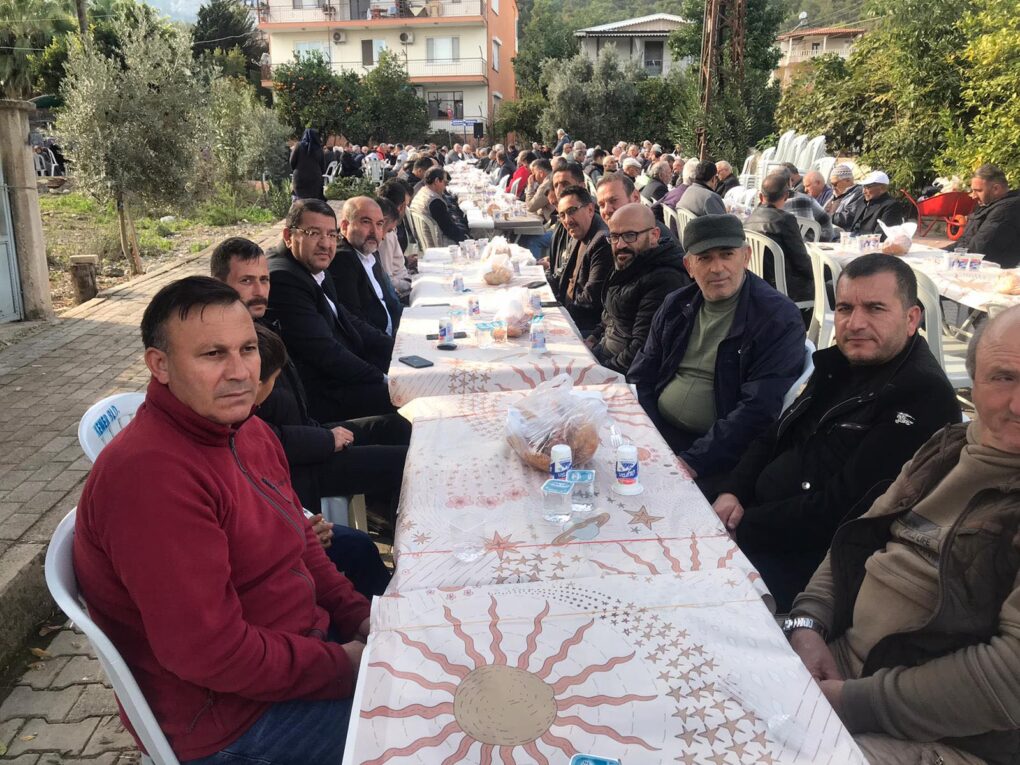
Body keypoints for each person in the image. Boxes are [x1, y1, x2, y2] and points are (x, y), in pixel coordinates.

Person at [74, 276, 371, 764]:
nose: (240, 372)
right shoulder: (150, 478)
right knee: (439, 725)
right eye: (213, 354)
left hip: (298, 654)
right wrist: (343, 665)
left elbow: (300, 542)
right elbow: (210, 653)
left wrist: (359, 615)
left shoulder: (246, 429)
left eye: (247, 349)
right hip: (232, 721)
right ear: (160, 366)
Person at [783, 304, 1020, 765]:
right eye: (1003, 377)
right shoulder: (945, 448)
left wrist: (851, 702)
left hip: (946, 736)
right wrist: (808, 622)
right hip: (840, 666)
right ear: (972, 383)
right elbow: (857, 542)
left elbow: (1009, 679)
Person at [713, 254, 961, 611]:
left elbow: (842, 512)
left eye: (875, 308)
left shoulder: (920, 395)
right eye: (845, 308)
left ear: (911, 319)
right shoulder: (842, 364)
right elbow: (776, 434)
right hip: (761, 516)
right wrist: (732, 490)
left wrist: (742, 526)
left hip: (812, 563)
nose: (855, 323)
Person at [628, 214, 805, 489]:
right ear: (689, 266)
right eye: (705, 258)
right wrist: (648, 434)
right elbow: (643, 373)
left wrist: (693, 460)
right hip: (660, 434)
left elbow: (758, 409)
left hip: (719, 454)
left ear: (746, 257)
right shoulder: (676, 305)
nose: (717, 268)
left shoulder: (776, 318)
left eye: (727, 254)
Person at [267, 199, 395, 422]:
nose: (326, 244)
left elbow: (346, 318)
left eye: (331, 235)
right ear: (288, 236)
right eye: (314, 233)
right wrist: (382, 378)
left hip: (341, 374)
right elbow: (326, 352)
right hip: (321, 396)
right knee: (409, 397)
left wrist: (395, 347)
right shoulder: (283, 279)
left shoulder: (312, 265)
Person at [587, 203, 689, 374]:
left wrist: (599, 371)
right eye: (614, 237)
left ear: (654, 235)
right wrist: (592, 338)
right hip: (604, 352)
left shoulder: (664, 279)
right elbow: (610, 316)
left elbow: (641, 352)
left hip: (623, 373)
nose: (620, 244)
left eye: (630, 235)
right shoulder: (630, 263)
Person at [327, 197, 402, 337]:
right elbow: (355, 322)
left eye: (379, 224)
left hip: (396, 333)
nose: (374, 231)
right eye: (366, 222)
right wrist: (393, 344)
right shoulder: (342, 260)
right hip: (379, 344)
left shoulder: (370, 251)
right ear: (345, 226)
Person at [744, 173, 814, 304]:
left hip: (756, 284)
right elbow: (801, 261)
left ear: (760, 196)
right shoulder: (785, 220)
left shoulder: (749, 219)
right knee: (829, 283)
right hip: (784, 288)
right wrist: (819, 272)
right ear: (786, 196)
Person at [551, 185, 612, 336]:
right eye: (562, 215)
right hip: (568, 312)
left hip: (585, 326)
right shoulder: (579, 231)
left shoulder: (602, 241)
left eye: (572, 211)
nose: (567, 220)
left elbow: (590, 300)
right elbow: (562, 276)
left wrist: (557, 317)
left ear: (590, 209)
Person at [948, 163, 1020, 268]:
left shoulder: (1007, 209)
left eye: (978, 191)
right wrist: (938, 252)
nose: (973, 196)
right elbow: (963, 243)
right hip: (975, 264)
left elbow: (979, 250)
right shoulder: (989, 206)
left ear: (996, 189)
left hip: (993, 271)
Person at [597, 172, 676, 246]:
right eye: (601, 205)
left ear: (635, 197)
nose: (606, 210)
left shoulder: (654, 242)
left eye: (613, 201)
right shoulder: (609, 237)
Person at [409, 167, 469, 246]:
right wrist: (467, 238)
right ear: (437, 181)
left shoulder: (421, 193)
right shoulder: (434, 201)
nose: (445, 187)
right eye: (445, 183)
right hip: (440, 243)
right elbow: (449, 230)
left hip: (426, 241)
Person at [849, 171, 905, 239]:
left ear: (881, 188)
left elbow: (880, 236)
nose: (864, 191)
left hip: (867, 242)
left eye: (867, 187)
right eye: (863, 187)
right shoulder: (863, 202)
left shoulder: (891, 206)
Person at [289, 128, 326, 201]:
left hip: (299, 179)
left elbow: (292, 162)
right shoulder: (319, 149)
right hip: (315, 181)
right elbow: (323, 168)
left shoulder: (298, 146)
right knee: (313, 202)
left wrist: (297, 169)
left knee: (300, 201)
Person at [826, 164, 864, 230]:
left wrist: (826, 217)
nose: (833, 188)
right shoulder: (837, 194)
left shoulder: (859, 193)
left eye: (835, 184)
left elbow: (847, 217)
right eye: (831, 184)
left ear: (848, 180)